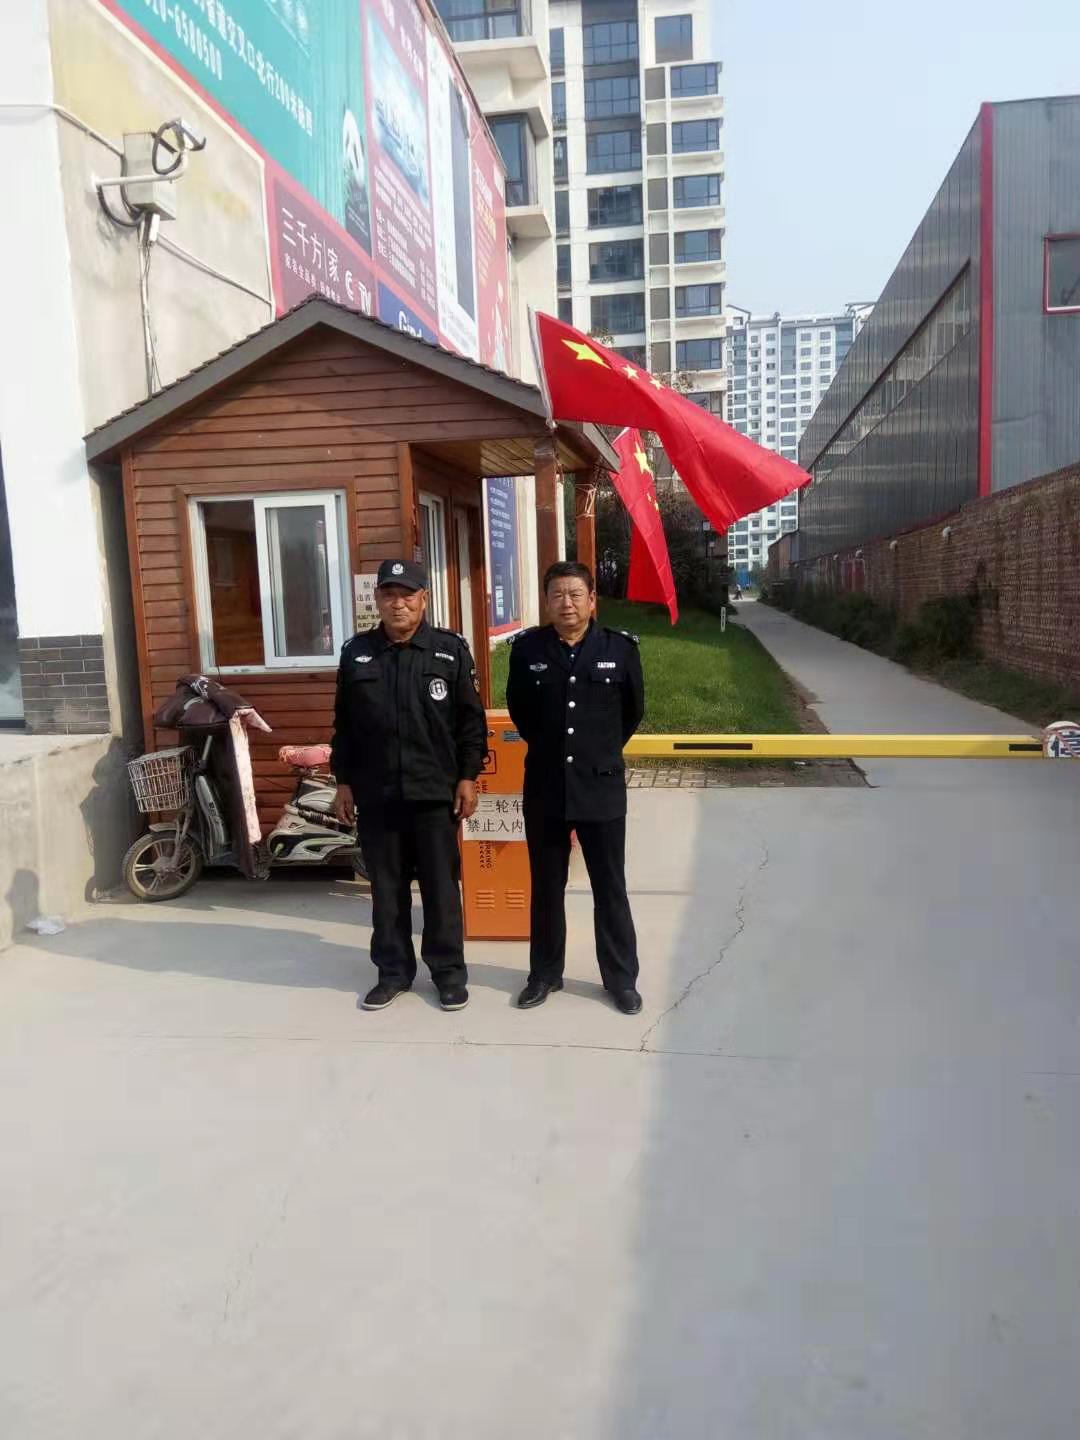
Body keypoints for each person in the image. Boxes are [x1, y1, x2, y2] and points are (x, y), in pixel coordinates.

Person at [331, 559, 486, 1012]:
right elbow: (344, 726)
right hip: (377, 794)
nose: (397, 604)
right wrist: (343, 782)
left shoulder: (449, 651)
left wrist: (468, 776)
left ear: (424, 599)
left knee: (441, 890)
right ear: (377, 599)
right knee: (387, 890)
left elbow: (470, 722)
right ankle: (393, 973)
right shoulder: (357, 653)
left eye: (407, 595)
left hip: (434, 792)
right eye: (389, 595)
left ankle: (448, 974)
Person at [507, 562, 646, 1014]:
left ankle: (621, 980)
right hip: (546, 788)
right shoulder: (527, 650)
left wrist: (597, 752)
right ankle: (545, 974)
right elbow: (521, 713)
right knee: (547, 888)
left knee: (610, 887)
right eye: (557, 595)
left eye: (574, 594)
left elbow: (631, 713)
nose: (566, 603)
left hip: (600, 787)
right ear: (546, 601)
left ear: (592, 600)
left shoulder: (619, 649)